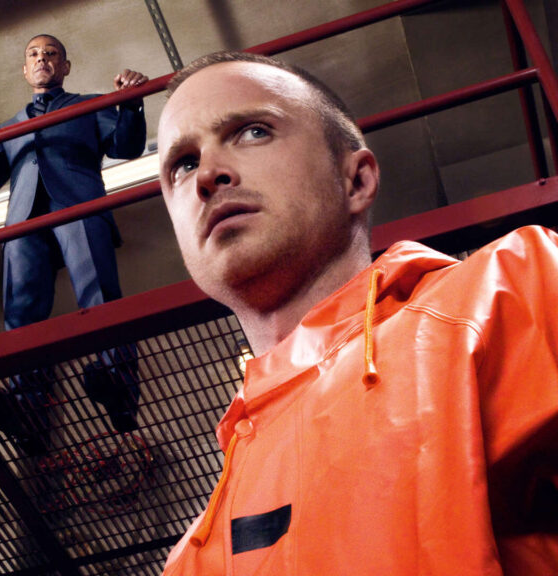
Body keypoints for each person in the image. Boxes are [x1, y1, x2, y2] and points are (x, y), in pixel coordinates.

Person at [156, 50, 558, 575]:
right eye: (183, 164)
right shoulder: (189, 559)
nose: (208, 174)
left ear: (357, 181)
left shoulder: (509, 292)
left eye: (253, 132)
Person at [0, 34, 148, 449]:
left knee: (99, 297)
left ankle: (120, 392)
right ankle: (28, 408)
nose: (42, 59)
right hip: (23, 223)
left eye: (51, 53)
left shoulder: (89, 106)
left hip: (78, 208)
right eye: (34, 54)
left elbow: (126, 147)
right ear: (24, 70)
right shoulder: (9, 128)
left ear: (65, 67)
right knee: (20, 316)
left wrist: (132, 102)